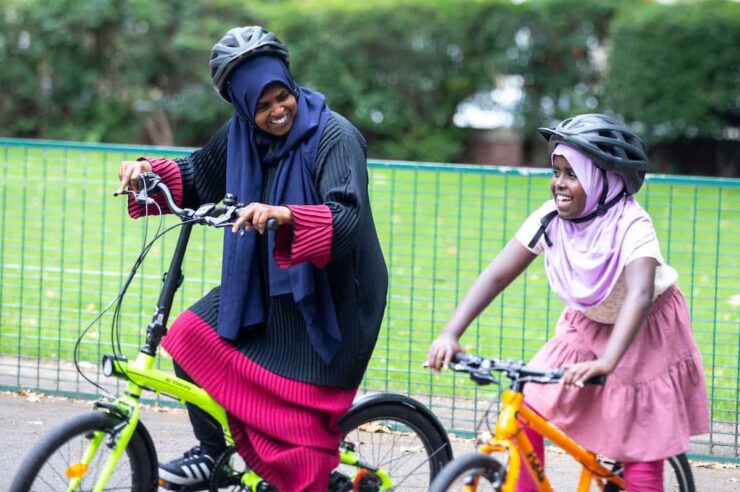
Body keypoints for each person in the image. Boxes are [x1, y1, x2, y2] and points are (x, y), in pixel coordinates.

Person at [116, 26, 388, 491]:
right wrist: (146, 173)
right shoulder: (240, 135)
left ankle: (313, 475)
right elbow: (197, 174)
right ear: (243, 108)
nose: (276, 111)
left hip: (333, 293)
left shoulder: (335, 136)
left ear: (291, 85)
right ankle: (214, 453)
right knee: (188, 337)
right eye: (261, 106)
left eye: (282, 97)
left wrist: (284, 213)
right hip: (269, 284)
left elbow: (346, 218)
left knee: (293, 422)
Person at [426, 114, 709, 491]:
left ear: (603, 180)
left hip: (644, 328)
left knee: (639, 442)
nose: (558, 183)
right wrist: (451, 332)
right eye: (555, 170)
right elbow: (496, 275)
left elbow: (640, 295)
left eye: (571, 174)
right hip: (586, 323)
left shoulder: (632, 225)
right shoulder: (549, 219)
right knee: (528, 405)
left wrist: (608, 361)